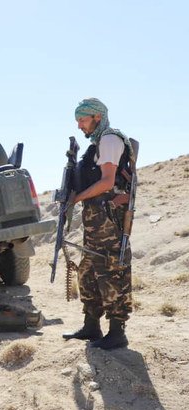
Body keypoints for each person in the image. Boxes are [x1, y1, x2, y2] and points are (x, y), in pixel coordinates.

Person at [62, 98, 135, 350]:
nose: (80, 126)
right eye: (78, 121)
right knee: (89, 269)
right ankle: (91, 325)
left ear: (96, 117)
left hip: (108, 216)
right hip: (95, 217)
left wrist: (77, 198)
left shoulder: (110, 140)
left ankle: (117, 332)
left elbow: (106, 182)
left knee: (111, 269)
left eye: (82, 120)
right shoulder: (95, 145)